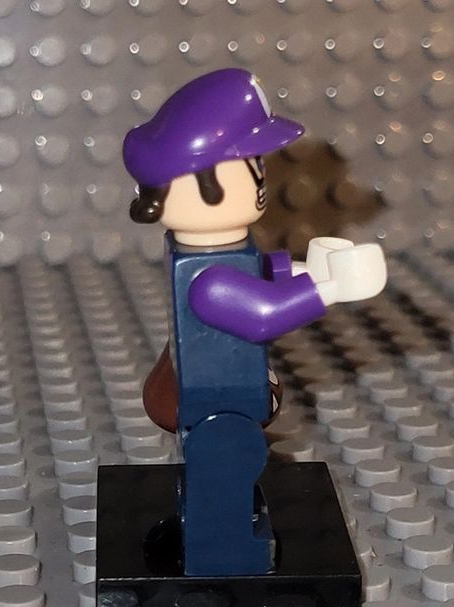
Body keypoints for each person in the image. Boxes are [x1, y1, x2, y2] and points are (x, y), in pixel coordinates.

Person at [123, 68, 387, 576]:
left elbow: (259, 274)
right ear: (202, 184)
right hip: (219, 403)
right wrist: (331, 287)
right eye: (252, 168)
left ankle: (217, 524)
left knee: (224, 465)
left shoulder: (214, 253)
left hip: (223, 391)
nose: (262, 180)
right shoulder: (208, 279)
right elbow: (263, 315)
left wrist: (304, 269)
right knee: (230, 461)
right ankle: (225, 552)